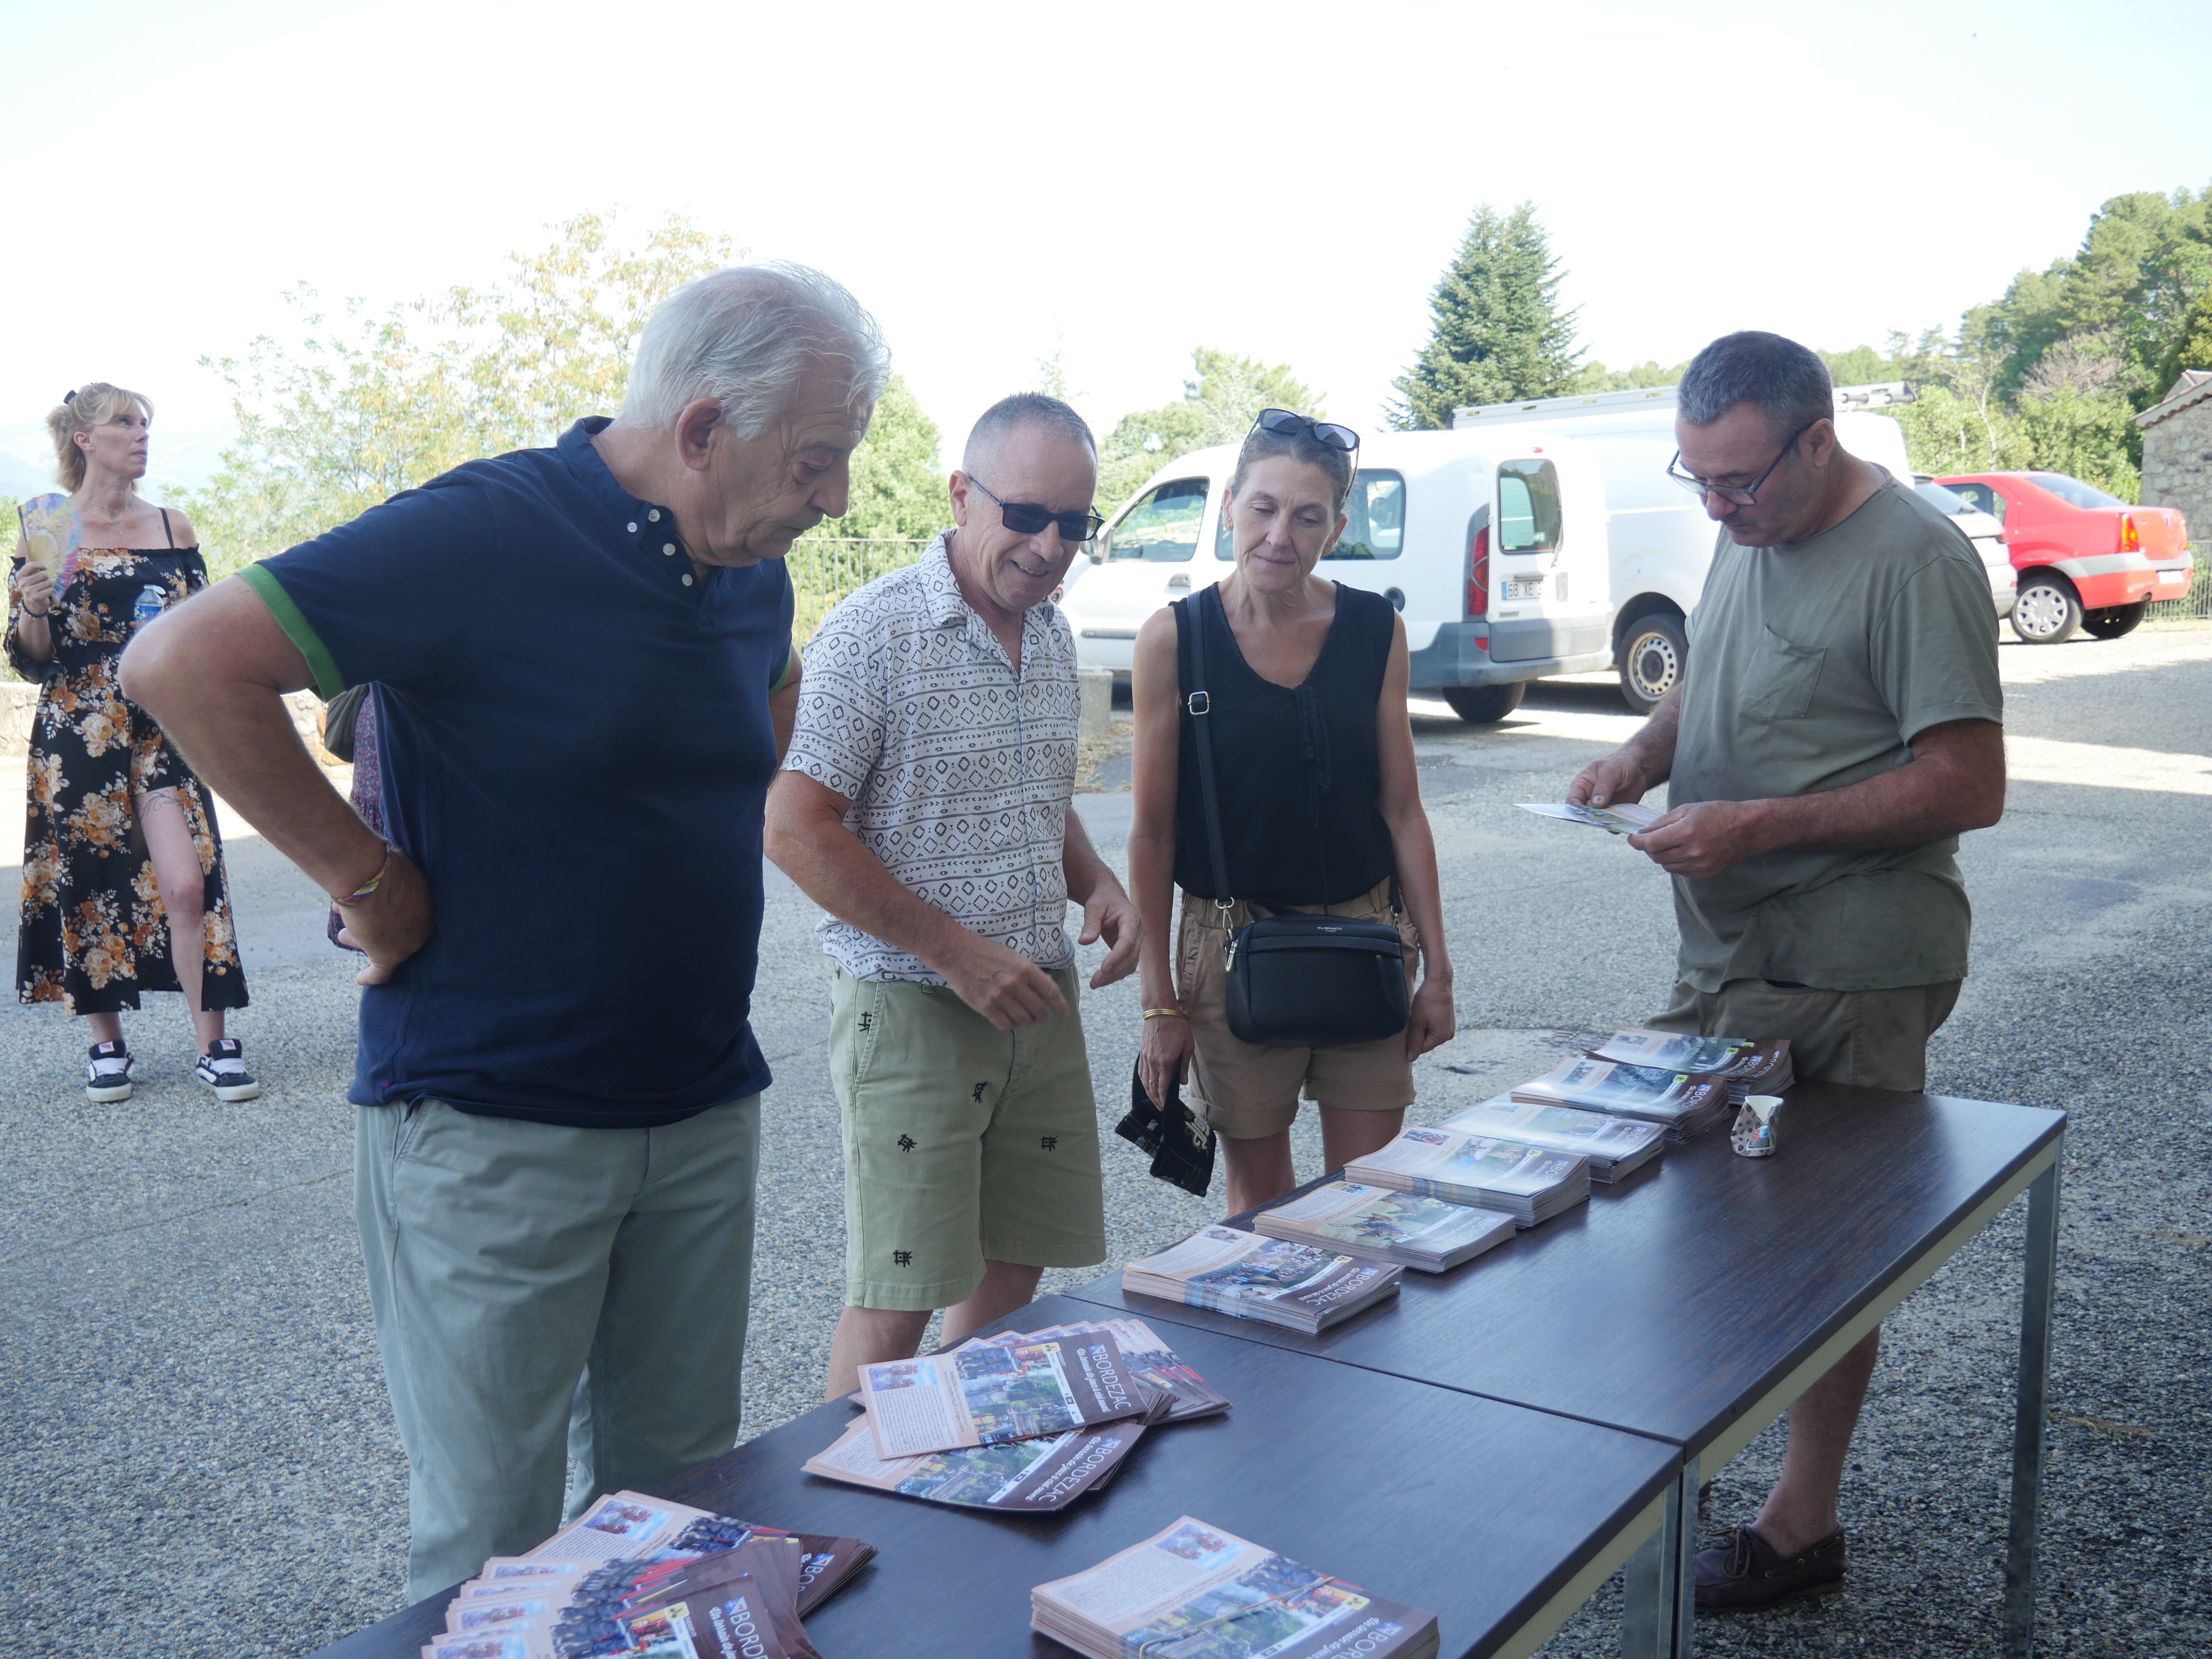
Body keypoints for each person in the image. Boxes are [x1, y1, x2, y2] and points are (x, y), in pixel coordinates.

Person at [119, 262, 888, 1598]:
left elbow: (762, 734)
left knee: (678, 1504)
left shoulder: (747, 576)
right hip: (493, 1119)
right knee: (494, 1541)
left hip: (701, 1108)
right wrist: (363, 879)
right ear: (704, 429)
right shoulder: (489, 529)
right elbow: (183, 662)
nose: (833, 498)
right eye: (817, 461)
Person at [1566, 331, 2005, 1612]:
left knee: (1815, 1244)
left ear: (1818, 439)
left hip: (1849, 964)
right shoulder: (1747, 521)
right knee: (1697, 1219)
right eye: (1696, 480)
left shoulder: (1916, 559)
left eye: (1740, 482)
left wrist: (1753, 825)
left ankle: (1802, 1518)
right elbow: (1718, 673)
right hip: (1730, 953)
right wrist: (1646, 754)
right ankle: (1696, 1452)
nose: (1716, 508)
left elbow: (1968, 785)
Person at [765, 393, 1140, 1401]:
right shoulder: (871, 635)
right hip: (916, 1007)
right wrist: (953, 952)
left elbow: (1037, 799)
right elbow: (795, 830)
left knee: (1014, 1263)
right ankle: (852, 1514)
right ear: (962, 494)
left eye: (1075, 523)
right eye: (1026, 514)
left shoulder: (1055, 636)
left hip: (1036, 996)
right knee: (903, 1292)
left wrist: (1098, 883)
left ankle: (963, 1466)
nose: (1050, 544)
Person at [1126, 410, 1455, 1217]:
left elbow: (1403, 811)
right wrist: (1160, 1001)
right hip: (1233, 944)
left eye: (1309, 517)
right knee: (1261, 1214)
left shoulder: (1377, 629)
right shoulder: (1176, 639)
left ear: (1337, 526)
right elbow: (1154, 832)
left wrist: (1440, 972)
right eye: (1264, 508)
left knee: (1370, 1203)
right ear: (1231, 502)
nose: (1281, 535)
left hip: (1365, 939)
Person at [8, 383, 256, 1103]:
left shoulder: (175, 528)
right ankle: (107, 1044)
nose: (141, 434)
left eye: (145, 423)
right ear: (85, 439)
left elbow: (203, 629)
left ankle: (214, 1044)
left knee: (187, 882)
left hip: (166, 721)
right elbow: (33, 654)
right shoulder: (46, 523)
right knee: (87, 881)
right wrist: (31, 606)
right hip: (79, 727)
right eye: (125, 423)